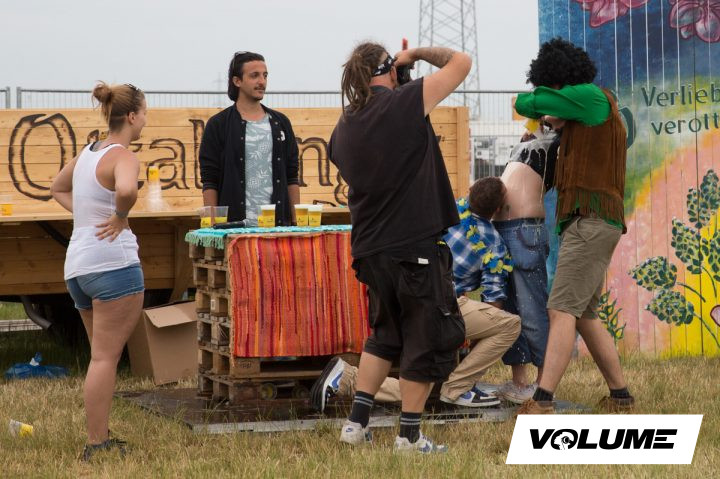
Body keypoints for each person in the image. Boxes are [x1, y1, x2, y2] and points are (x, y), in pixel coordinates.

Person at [327, 42, 471, 453]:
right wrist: (417, 55)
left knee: (385, 335)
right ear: (390, 69)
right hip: (414, 243)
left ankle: (356, 425)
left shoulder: (345, 124)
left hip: (370, 247)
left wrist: (400, 79)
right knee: (424, 338)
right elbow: (461, 63)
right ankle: (409, 436)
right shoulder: (404, 103)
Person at [311, 177, 520, 412]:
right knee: (510, 325)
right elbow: (493, 302)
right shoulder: (494, 243)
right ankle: (458, 388)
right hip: (440, 308)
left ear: (469, 191)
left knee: (425, 385)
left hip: (402, 298)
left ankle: (346, 378)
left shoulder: (441, 211)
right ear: (499, 209)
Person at [513, 38, 634, 414]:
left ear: (559, 81)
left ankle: (543, 400)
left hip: (591, 222)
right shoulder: (586, 112)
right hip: (593, 222)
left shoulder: (589, 96)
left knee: (561, 309)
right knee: (583, 314)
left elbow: (525, 103)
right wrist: (554, 123)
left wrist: (544, 106)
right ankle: (621, 397)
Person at [50, 82, 147, 461]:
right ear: (132, 116)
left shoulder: (88, 153)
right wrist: (120, 216)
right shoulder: (124, 156)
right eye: (145, 113)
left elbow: (57, 187)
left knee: (99, 358)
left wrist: (87, 215)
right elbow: (127, 191)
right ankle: (95, 442)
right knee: (106, 359)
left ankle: (100, 435)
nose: (146, 120)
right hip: (113, 265)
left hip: (78, 266)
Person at [491, 128, 559, 404]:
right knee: (509, 312)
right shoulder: (538, 140)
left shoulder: (560, 142)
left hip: (524, 228)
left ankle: (544, 385)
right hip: (505, 228)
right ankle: (520, 382)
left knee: (532, 310)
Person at [199, 51, 300, 226]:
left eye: (265, 75)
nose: (262, 81)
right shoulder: (218, 124)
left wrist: (297, 222)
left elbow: (291, 176)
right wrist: (213, 226)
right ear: (237, 81)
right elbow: (210, 179)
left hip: (277, 228)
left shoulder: (281, 122)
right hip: (234, 228)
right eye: (254, 76)